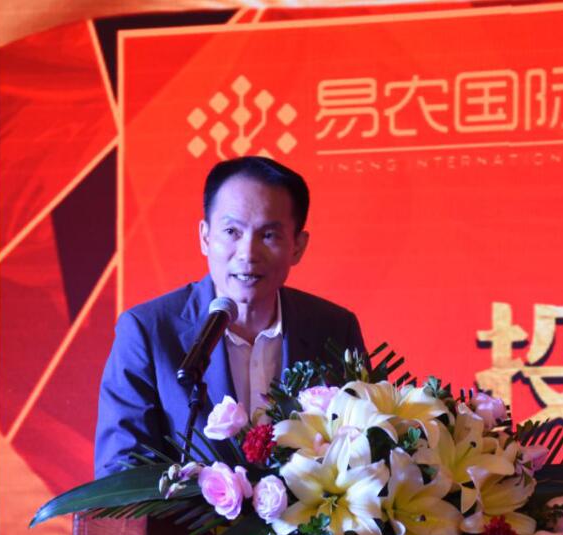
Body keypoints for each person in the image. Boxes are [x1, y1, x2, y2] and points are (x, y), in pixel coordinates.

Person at [94, 156, 366, 477]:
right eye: (232, 231)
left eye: (269, 235)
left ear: (297, 247)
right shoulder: (148, 332)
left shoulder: (334, 329)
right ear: (205, 237)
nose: (247, 253)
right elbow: (120, 476)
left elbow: (368, 452)